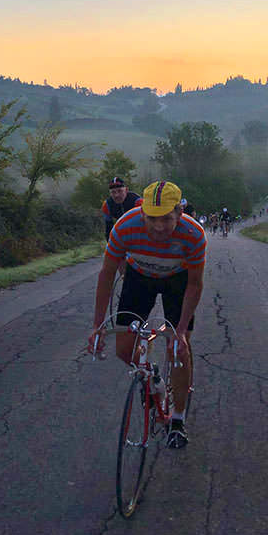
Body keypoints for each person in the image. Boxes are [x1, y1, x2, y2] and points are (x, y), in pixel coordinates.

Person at [88, 181, 206, 449]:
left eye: (166, 219)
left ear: (180, 212)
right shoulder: (126, 226)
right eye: (152, 219)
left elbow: (195, 284)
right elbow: (107, 275)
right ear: (142, 212)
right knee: (123, 349)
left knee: (179, 351)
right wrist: (97, 327)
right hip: (139, 276)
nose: (158, 227)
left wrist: (181, 332)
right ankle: (152, 376)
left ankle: (177, 419)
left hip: (179, 279)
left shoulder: (193, 234)